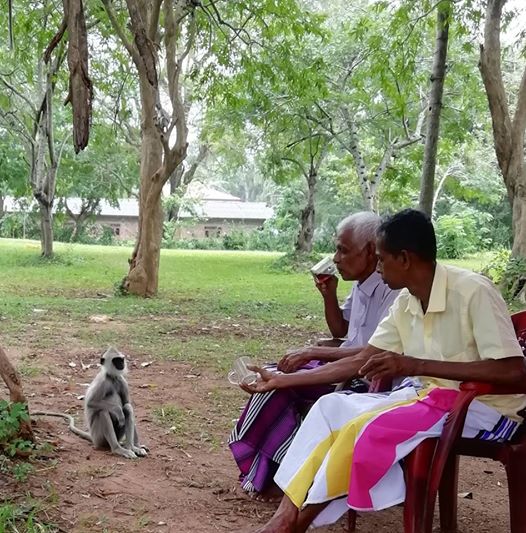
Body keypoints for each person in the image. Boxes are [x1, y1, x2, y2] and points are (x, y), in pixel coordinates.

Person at [248, 209, 526, 533]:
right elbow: (362, 359)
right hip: (426, 397)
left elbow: (514, 372)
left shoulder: (474, 292)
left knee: (363, 426)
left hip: (486, 410)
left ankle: (298, 523)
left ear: (405, 259)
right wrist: (284, 380)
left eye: (381, 259)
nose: (377, 268)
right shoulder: (405, 302)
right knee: (330, 407)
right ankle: (286, 515)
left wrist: (415, 365)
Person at [228, 212, 399, 501]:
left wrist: (312, 351)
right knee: (271, 374)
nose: (335, 258)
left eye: (343, 250)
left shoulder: (391, 289)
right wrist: (329, 296)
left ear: (370, 251)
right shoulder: (361, 284)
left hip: (363, 377)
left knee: (282, 385)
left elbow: (372, 352)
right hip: (343, 364)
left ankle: (280, 476)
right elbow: (341, 329)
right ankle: (267, 472)